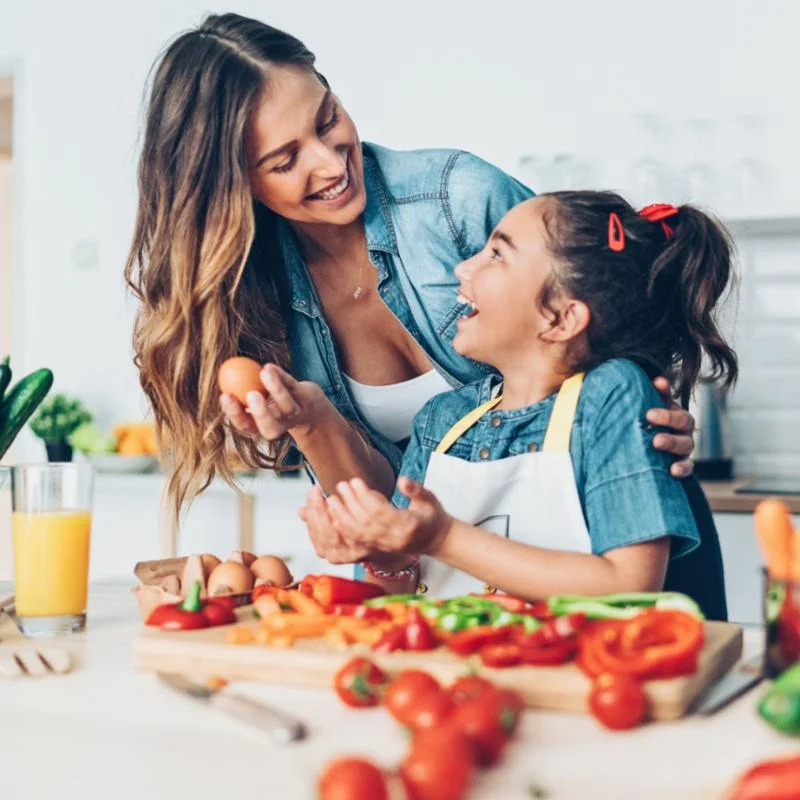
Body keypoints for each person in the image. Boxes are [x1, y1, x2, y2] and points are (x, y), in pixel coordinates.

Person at [124, 14, 705, 597]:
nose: (330, 163)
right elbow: (401, 532)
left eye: (328, 120)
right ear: (231, 184)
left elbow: (601, 306)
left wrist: (649, 408)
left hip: (624, 571)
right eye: (284, 160)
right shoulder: (253, 297)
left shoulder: (460, 199)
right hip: (481, 615)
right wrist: (314, 428)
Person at [302, 194, 737, 615]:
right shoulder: (441, 419)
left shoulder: (610, 395)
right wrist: (382, 551)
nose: (463, 267)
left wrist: (443, 538)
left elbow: (630, 586)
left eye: (496, 254)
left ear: (561, 319)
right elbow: (395, 594)